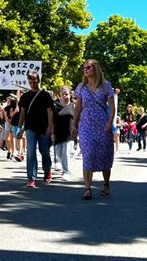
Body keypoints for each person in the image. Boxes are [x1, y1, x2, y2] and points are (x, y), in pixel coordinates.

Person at [72, 59, 115, 200]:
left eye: (88, 67)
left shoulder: (106, 86)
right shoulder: (81, 87)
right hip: (85, 123)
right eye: (84, 67)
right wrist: (74, 124)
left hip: (102, 123)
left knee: (104, 154)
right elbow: (77, 107)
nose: (85, 70)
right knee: (88, 153)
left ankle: (106, 183)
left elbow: (112, 107)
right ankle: (87, 188)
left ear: (96, 69)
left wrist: (109, 122)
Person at [17, 71, 54, 188]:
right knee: (31, 152)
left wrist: (50, 126)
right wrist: (20, 128)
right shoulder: (25, 96)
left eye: (35, 81)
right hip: (30, 127)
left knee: (45, 152)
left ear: (39, 80)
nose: (33, 84)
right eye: (31, 82)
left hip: (43, 127)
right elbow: (22, 113)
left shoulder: (45, 95)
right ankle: (31, 178)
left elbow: (50, 111)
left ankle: (47, 170)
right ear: (28, 81)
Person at [52, 85, 75, 180]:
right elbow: (52, 119)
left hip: (69, 133)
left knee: (65, 153)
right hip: (58, 133)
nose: (64, 95)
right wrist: (52, 133)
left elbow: (78, 119)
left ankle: (66, 171)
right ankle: (65, 164)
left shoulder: (74, 105)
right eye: (63, 93)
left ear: (70, 95)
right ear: (60, 94)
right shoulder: (55, 105)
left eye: (66, 93)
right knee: (59, 154)